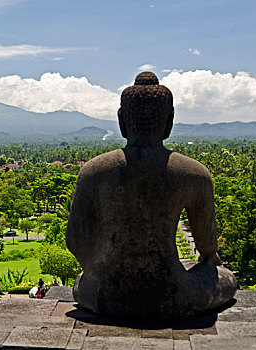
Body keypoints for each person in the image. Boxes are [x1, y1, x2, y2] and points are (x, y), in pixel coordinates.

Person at [66, 72, 237, 321]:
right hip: (174, 296)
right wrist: (210, 264)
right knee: (226, 278)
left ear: (122, 120)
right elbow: (208, 249)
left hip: (106, 297)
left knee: (81, 281)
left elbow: (76, 240)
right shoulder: (192, 173)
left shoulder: (95, 170)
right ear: (170, 120)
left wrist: (103, 274)